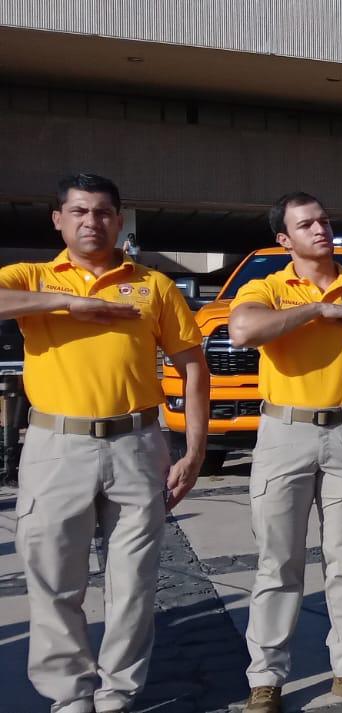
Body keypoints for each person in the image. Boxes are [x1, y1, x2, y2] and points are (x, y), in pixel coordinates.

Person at [0, 174, 210, 713]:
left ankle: (119, 691)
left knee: (135, 581)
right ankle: (69, 694)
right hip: (55, 444)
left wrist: (193, 448)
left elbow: (192, 365)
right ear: (58, 218)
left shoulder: (152, 285)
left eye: (102, 212)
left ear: (119, 219)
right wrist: (67, 305)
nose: (91, 222)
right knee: (52, 577)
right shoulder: (31, 276)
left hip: (137, 444)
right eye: (78, 212)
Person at [228, 192, 342, 712]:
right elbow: (242, 331)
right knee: (278, 561)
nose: (319, 229)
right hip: (285, 433)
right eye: (305, 225)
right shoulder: (265, 287)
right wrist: (314, 310)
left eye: (324, 220)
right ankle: (267, 678)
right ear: (284, 239)